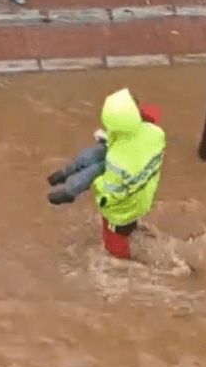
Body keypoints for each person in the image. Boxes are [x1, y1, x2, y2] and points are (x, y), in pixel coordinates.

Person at [47, 89, 166, 260]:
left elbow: (110, 194)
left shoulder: (118, 162)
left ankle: (125, 266)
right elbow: (151, 114)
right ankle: (69, 178)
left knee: (114, 247)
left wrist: (97, 183)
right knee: (94, 156)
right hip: (141, 196)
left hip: (121, 210)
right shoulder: (154, 133)